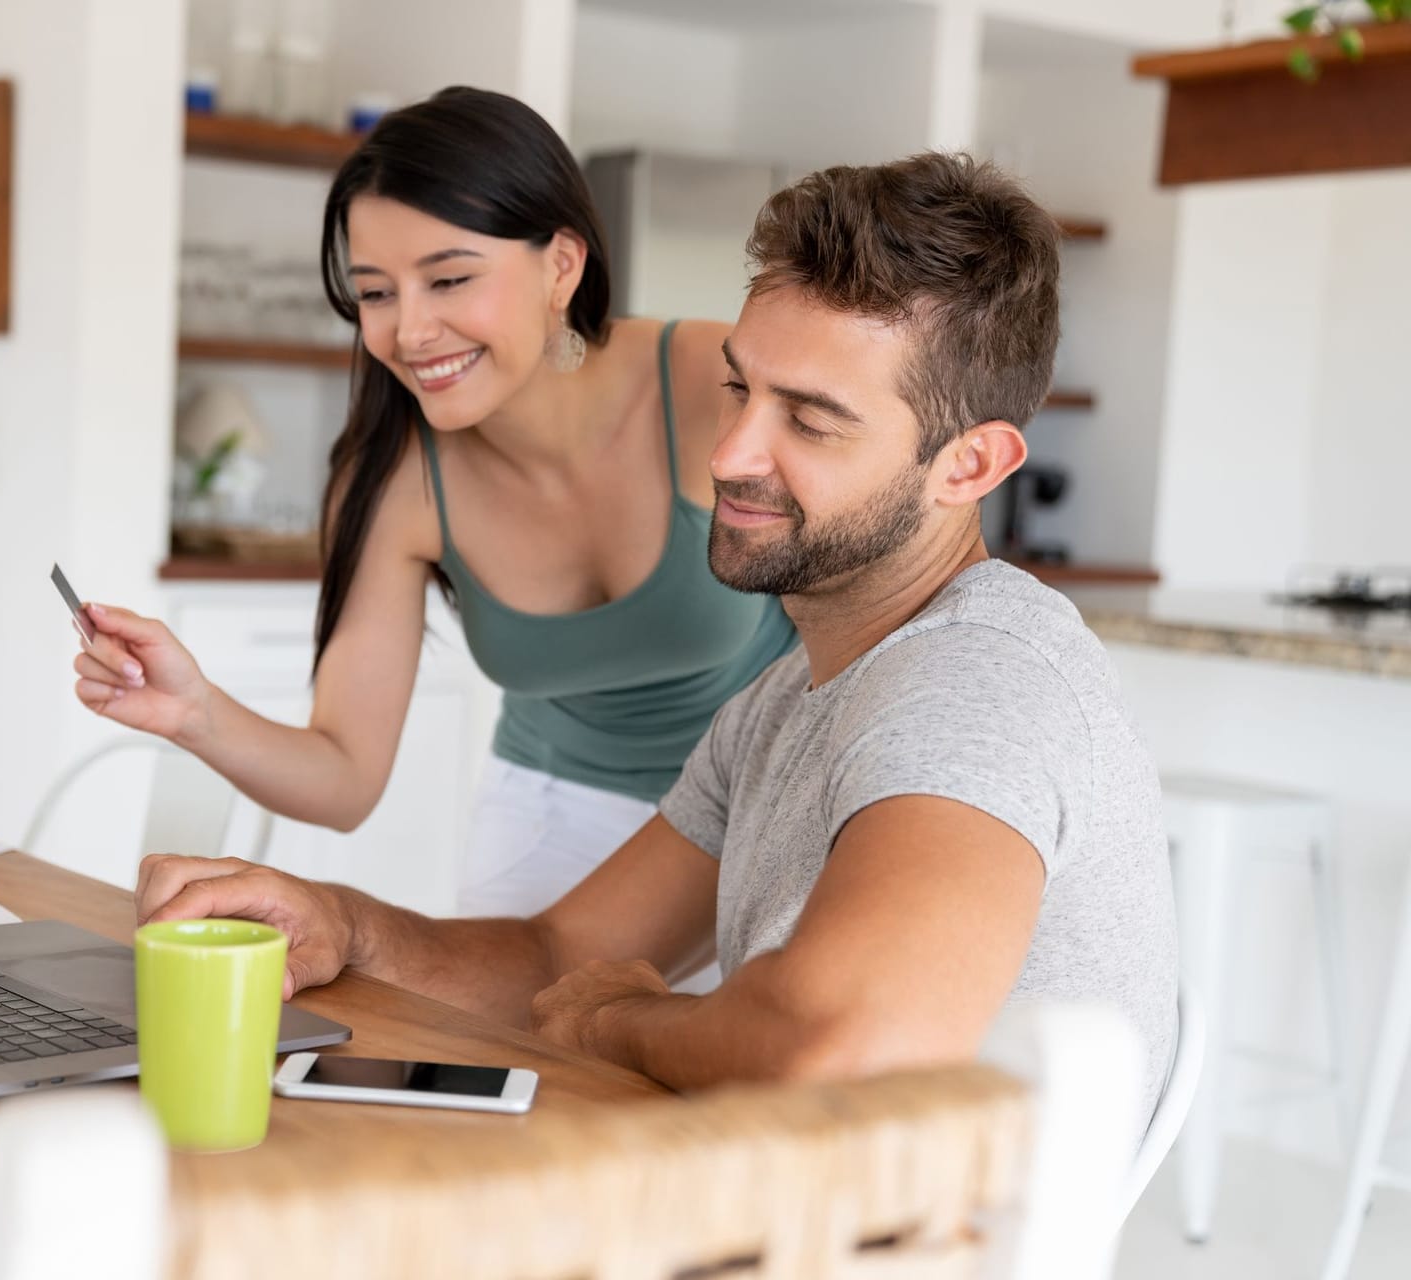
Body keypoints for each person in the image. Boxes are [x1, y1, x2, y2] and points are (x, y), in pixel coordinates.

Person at [131, 152, 1181, 1140]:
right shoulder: (782, 702)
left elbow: (836, 1038)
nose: (729, 453)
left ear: (971, 465)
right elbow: (561, 950)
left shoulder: (977, 679)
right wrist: (344, 924)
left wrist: (620, 1021)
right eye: (738, 387)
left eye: (809, 421)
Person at [72, 87, 796, 923]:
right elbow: (343, 774)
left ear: (562, 264)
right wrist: (195, 711)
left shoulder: (713, 379)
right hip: (553, 827)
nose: (409, 333)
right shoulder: (394, 482)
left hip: (767, 808)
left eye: (448, 279)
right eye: (376, 293)